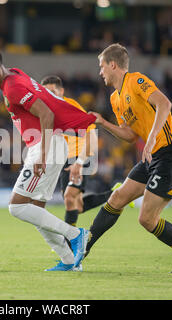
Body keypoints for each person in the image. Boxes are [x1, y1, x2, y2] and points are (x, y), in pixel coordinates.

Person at [73, 43, 172, 273]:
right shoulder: (115, 98)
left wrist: (153, 137)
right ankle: (81, 251)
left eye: (101, 66)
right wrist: (103, 123)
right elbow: (131, 135)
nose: (100, 72)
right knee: (117, 198)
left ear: (112, 64)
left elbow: (165, 103)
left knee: (146, 219)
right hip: (153, 156)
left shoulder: (136, 81)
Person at [0, 46, 95, 271]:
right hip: (50, 146)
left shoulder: (13, 88)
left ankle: (76, 234)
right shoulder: (13, 74)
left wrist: (42, 155)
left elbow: (47, 114)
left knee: (17, 207)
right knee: (36, 210)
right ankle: (69, 261)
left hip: (47, 148)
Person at [41, 75, 116, 226]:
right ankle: (117, 194)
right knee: (77, 206)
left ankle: (70, 242)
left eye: (53, 92)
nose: (50, 96)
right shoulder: (45, 110)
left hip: (77, 155)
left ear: (61, 91)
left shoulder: (71, 107)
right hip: (63, 159)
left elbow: (91, 134)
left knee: (69, 197)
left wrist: (80, 161)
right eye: (46, 93)